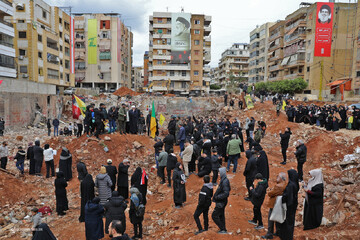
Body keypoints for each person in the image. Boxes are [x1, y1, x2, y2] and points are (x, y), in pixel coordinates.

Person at [262, 172, 287, 239]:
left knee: (271, 219)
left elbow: (270, 193)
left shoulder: (278, 186)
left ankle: (269, 234)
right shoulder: (285, 184)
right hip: (279, 204)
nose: (276, 178)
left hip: (274, 204)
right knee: (277, 218)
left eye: (278, 176)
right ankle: (278, 232)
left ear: (281, 178)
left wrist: (269, 191)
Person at [279, 169, 299, 240]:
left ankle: (286, 237)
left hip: (288, 205)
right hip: (293, 204)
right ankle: (289, 236)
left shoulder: (290, 185)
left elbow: (287, 196)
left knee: (287, 221)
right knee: (291, 221)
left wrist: (281, 199)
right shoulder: (295, 183)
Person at [212, 167, 230, 234]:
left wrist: (217, 197)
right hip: (222, 201)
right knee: (221, 215)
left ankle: (222, 228)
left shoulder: (224, 181)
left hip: (221, 202)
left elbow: (226, 193)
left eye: (219, 173)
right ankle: (223, 229)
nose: (218, 174)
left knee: (214, 215)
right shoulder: (224, 180)